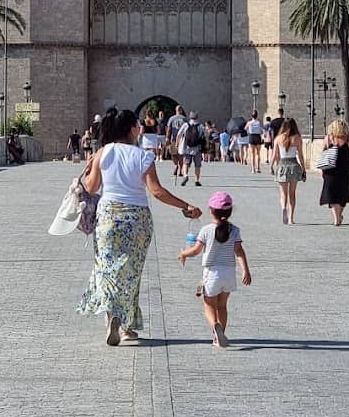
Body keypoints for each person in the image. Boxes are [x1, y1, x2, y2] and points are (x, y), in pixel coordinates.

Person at [79, 108, 201, 345]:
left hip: (108, 218)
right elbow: (157, 192)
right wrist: (185, 205)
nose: (141, 128)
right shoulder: (143, 156)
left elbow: (91, 188)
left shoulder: (103, 152)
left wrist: (89, 169)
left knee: (107, 269)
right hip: (137, 220)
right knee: (131, 273)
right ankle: (125, 326)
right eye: (138, 125)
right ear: (132, 129)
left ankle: (113, 318)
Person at [179, 191, 252, 349]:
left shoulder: (206, 230)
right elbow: (239, 251)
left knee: (209, 305)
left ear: (211, 211)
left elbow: (196, 250)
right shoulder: (234, 230)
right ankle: (219, 336)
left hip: (212, 273)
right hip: (229, 274)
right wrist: (245, 270)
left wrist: (183, 253)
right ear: (230, 211)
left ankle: (215, 326)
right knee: (223, 306)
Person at [319, 117, 349, 226]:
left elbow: (322, 154)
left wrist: (322, 170)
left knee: (332, 193)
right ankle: (338, 216)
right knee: (343, 194)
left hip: (330, 170)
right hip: (344, 170)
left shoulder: (328, 138)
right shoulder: (348, 140)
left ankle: (337, 217)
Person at [270, 116, 306, 225]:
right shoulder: (297, 138)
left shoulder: (278, 138)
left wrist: (271, 166)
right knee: (292, 193)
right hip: (294, 165)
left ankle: (283, 208)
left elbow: (274, 155)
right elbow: (300, 155)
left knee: (283, 193)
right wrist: (303, 169)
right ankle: (291, 218)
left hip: (282, 165)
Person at [177, 112, 206, 187]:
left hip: (187, 148)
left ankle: (185, 175)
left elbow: (179, 134)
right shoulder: (201, 126)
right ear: (197, 117)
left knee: (186, 163)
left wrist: (177, 143)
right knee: (197, 165)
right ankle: (197, 180)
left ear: (190, 117)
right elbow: (206, 136)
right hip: (198, 148)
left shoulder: (186, 125)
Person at [166, 104, 187, 178]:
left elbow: (169, 129)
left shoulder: (171, 118)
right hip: (182, 139)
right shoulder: (185, 119)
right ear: (181, 110)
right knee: (181, 154)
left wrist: (167, 138)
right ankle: (180, 169)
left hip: (174, 139)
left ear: (176, 110)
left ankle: (176, 165)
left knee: (173, 154)